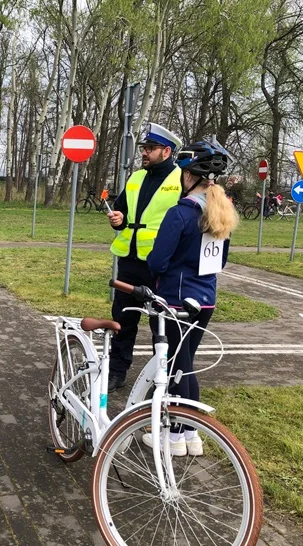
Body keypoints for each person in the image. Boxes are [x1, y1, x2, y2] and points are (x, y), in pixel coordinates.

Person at [143, 140, 238, 456]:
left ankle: (172, 437)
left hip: (175, 300)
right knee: (186, 365)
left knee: (173, 366)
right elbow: (220, 262)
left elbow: (157, 261)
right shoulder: (219, 212)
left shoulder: (180, 213)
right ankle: (191, 435)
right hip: (205, 300)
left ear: (189, 175)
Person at [107, 122, 183, 392]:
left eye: (150, 149)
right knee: (123, 319)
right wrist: (118, 220)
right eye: (144, 148)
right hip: (129, 260)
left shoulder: (180, 180)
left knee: (159, 323)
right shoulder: (136, 178)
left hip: (159, 265)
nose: (144, 153)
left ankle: (158, 379)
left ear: (166, 151)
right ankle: (117, 372)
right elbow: (122, 213)